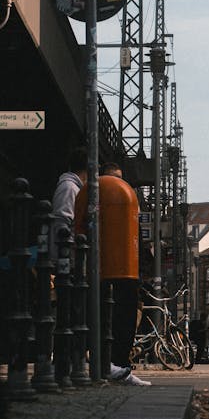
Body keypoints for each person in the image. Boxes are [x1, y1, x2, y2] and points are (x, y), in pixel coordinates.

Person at [75, 162, 151, 386]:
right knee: (112, 320)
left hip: (117, 268)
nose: (115, 182)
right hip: (109, 269)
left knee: (117, 321)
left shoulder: (120, 197)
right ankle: (111, 365)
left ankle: (116, 366)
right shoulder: (114, 194)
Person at [50, 146, 87, 264]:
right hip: (65, 262)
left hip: (70, 259)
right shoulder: (69, 188)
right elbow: (62, 226)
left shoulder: (75, 189)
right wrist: (68, 258)